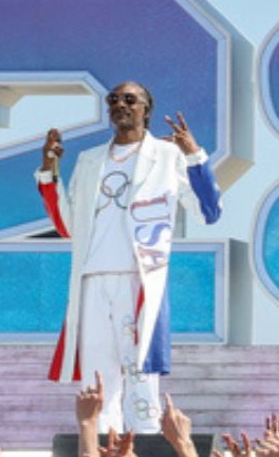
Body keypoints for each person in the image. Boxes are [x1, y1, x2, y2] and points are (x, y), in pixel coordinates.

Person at [35, 81, 221, 434]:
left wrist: (195, 155)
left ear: (145, 110)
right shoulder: (90, 160)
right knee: (96, 376)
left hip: (138, 276)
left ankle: (146, 451)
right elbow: (67, 224)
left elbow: (208, 211)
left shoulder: (167, 156)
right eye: (113, 100)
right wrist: (49, 168)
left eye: (129, 99)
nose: (120, 104)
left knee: (139, 375)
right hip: (91, 278)